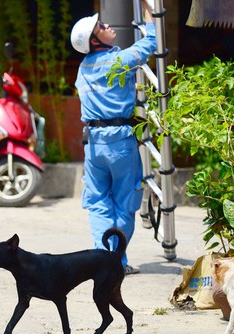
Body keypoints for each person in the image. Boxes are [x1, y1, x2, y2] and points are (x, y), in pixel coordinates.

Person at [70, 1, 156, 275]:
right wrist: (148, 7)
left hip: (94, 144)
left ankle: (103, 260)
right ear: (95, 41)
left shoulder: (82, 69)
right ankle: (116, 262)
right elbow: (152, 41)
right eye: (101, 27)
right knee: (125, 202)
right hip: (120, 142)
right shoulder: (118, 60)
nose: (108, 26)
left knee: (97, 203)